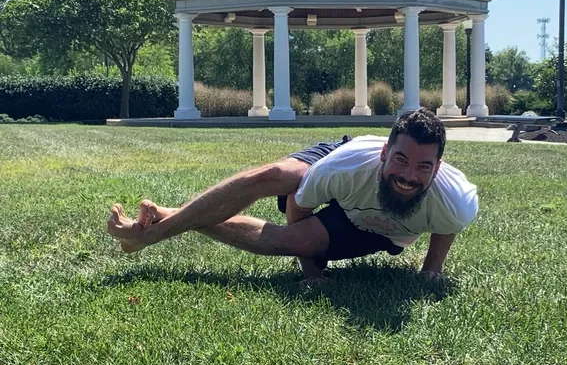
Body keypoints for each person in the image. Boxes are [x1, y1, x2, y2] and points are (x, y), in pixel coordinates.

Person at [107, 108, 478, 283]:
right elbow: (300, 202)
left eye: (423, 167)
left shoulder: (454, 199)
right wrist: (312, 269)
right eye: (400, 160)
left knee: (286, 240)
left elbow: (447, 225)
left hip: (375, 227)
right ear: (384, 152)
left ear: (438, 166)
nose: (409, 176)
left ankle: (164, 215)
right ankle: (152, 234)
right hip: (345, 174)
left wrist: (432, 270)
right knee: (273, 175)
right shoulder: (343, 167)